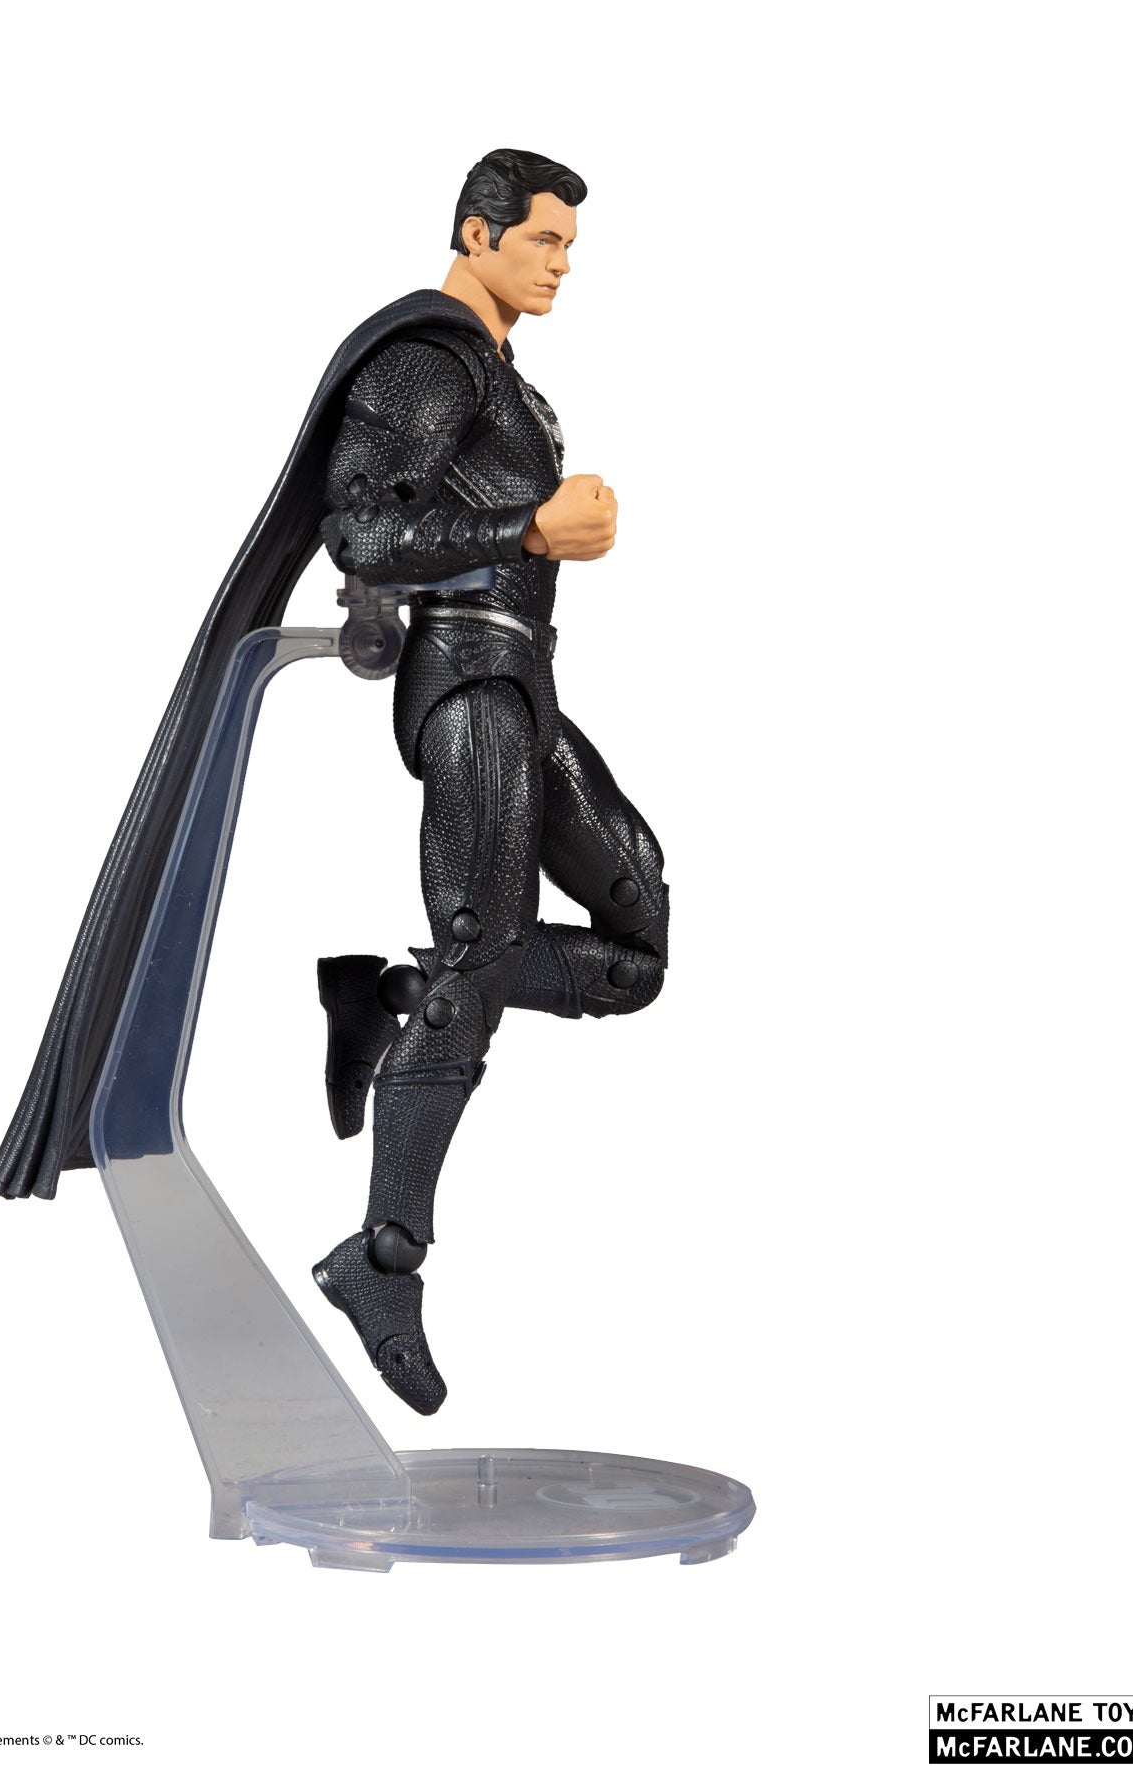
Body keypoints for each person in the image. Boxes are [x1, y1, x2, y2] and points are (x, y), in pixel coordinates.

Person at [311, 149, 670, 1414]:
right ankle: (380, 1261)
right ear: (478, 233)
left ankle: (388, 998)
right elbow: (360, 532)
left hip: (526, 682)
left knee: (635, 948)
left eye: (570, 245)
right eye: (544, 241)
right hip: (465, 680)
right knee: (485, 948)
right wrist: (527, 526)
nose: (563, 264)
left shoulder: (511, 387)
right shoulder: (431, 359)